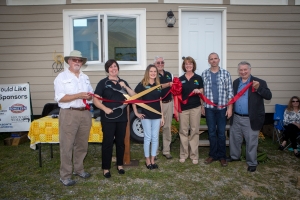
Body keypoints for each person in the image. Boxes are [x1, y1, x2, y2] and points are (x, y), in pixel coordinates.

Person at [54, 50, 93, 186]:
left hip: (85, 113)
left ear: (82, 63)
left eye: (79, 60)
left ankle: (79, 169)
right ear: (69, 61)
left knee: (82, 144)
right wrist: (78, 95)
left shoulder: (85, 77)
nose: (77, 62)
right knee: (67, 145)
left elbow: (91, 95)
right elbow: (60, 98)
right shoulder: (61, 77)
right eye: (74, 60)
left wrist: (89, 96)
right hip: (69, 113)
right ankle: (65, 175)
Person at [93, 59, 136, 178]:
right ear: (107, 69)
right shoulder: (103, 83)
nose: (113, 69)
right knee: (107, 142)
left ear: (118, 68)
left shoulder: (123, 82)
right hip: (108, 117)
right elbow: (95, 99)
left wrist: (125, 87)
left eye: (115, 66)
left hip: (122, 117)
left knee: (120, 142)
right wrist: (104, 108)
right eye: (111, 67)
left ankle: (120, 165)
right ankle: (106, 168)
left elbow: (134, 96)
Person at [228, 61, 272, 172]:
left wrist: (258, 88)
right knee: (234, 138)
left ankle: (252, 162)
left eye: (245, 70)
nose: (243, 72)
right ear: (238, 71)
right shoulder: (235, 83)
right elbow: (232, 98)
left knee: (251, 141)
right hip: (236, 116)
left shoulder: (259, 82)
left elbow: (268, 96)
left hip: (251, 118)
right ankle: (234, 157)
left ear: (250, 70)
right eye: (241, 70)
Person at [201, 52, 233, 167]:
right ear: (209, 61)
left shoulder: (226, 73)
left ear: (219, 60)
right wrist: (202, 106)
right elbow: (202, 92)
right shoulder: (204, 74)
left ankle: (222, 156)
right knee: (211, 132)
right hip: (209, 108)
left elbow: (230, 92)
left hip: (222, 108)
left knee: (221, 133)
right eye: (211, 59)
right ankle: (212, 155)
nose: (213, 60)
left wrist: (230, 108)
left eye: (215, 58)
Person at [133, 64, 164, 169]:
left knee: (155, 137)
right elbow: (134, 98)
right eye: (151, 71)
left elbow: (160, 101)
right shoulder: (142, 84)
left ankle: (152, 159)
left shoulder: (158, 85)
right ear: (147, 72)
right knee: (148, 137)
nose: (153, 73)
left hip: (157, 115)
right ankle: (147, 160)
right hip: (146, 115)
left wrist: (162, 116)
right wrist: (136, 112)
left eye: (155, 71)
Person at [178, 56, 203, 164]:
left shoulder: (198, 78)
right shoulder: (180, 79)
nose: (188, 65)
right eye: (186, 64)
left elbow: (202, 90)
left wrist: (199, 90)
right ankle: (183, 154)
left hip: (195, 107)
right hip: (183, 109)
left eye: (190, 64)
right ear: (184, 66)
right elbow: (177, 94)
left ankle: (194, 155)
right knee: (183, 131)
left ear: (193, 65)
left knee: (194, 131)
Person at [154, 56, 173, 159]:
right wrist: (168, 84)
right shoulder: (153, 75)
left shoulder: (169, 74)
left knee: (167, 127)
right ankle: (155, 152)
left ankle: (166, 150)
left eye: (162, 62)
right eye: (158, 62)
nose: (160, 64)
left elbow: (173, 88)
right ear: (154, 64)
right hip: (157, 104)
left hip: (169, 103)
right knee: (156, 128)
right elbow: (157, 87)